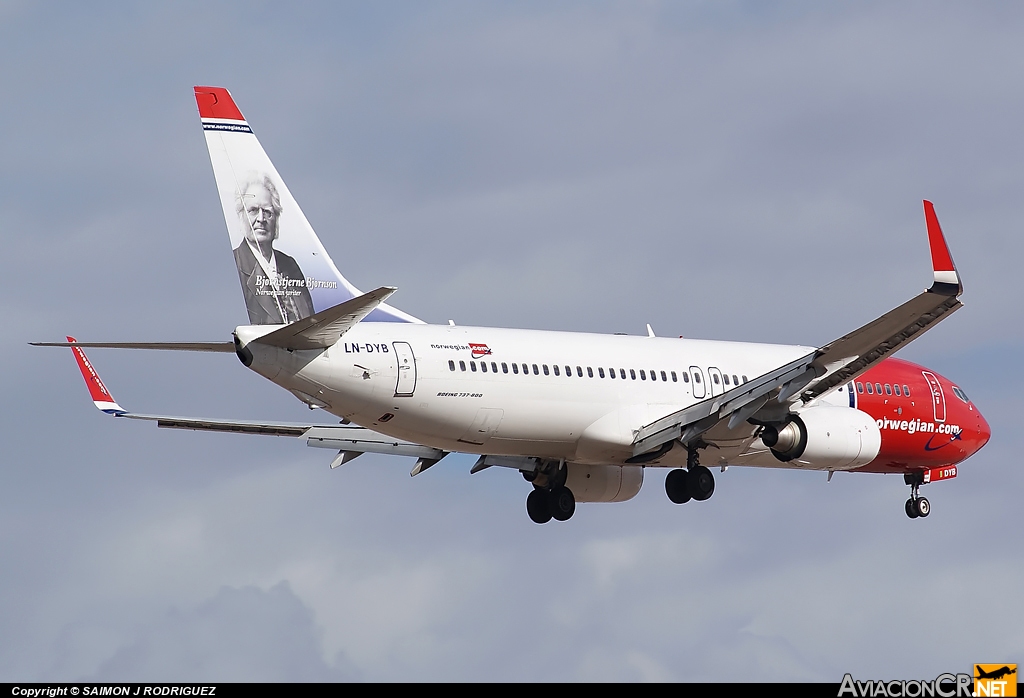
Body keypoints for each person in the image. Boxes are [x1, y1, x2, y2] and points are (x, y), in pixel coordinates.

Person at [232, 174, 314, 324]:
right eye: (253, 210)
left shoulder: (290, 265)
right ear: (241, 216)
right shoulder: (235, 263)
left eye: (268, 212)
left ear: (276, 218)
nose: (261, 219)